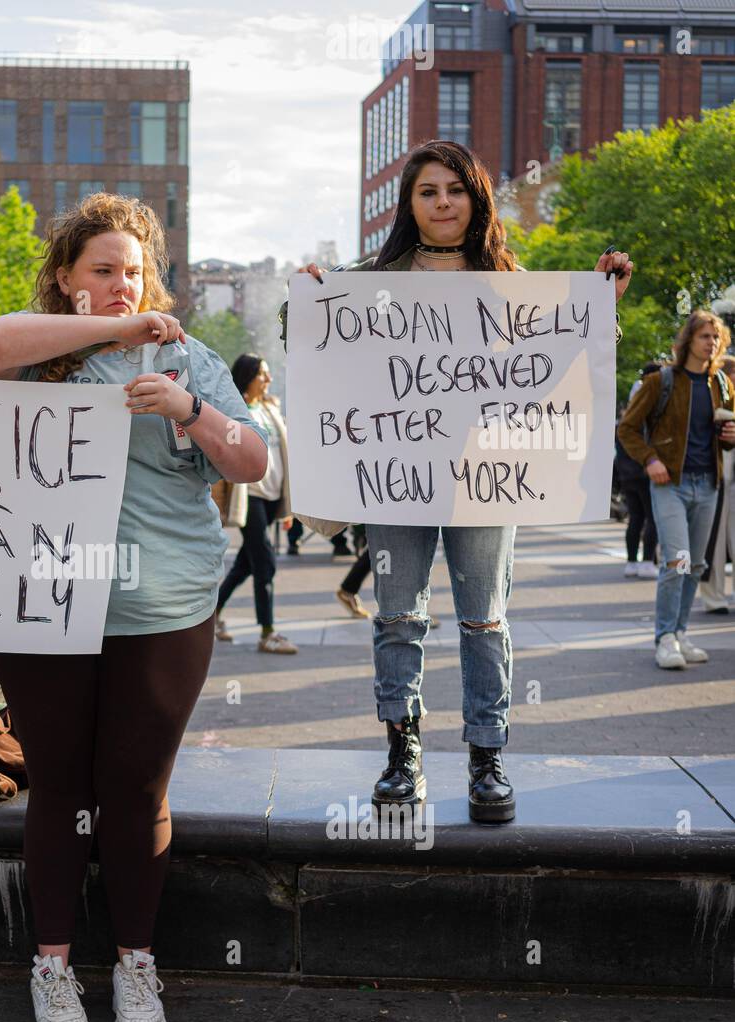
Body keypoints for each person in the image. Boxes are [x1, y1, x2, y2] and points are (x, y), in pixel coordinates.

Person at [0, 193, 267, 1022]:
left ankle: (136, 962)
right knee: (59, 784)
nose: (122, 287)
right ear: (65, 279)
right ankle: (53, 967)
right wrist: (104, 334)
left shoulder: (188, 358)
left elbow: (254, 457)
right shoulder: (38, 353)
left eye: (134, 274)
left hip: (163, 607)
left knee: (137, 788)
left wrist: (190, 412)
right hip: (47, 604)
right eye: (102, 272)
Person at [298, 140, 632, 824]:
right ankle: (403, 753)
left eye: (454, 189)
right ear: (410, 203)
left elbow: (556, 364)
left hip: (487, 476)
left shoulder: (511, 282)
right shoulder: (368, 280)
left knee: (485, 619)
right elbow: (326, 361)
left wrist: (601, 303)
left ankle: (487, 756)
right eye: (428, 191)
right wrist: (308, 303)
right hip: (398, 475)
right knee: (397, 616)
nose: (443, 202)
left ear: (475, 198)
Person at [617, 311, 735, 669]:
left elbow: (726, 433)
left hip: (708, 484)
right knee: (678, 561)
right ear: (688, 341)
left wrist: (731, 437)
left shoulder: (721, 384)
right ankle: (665, 637)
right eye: (704, 337)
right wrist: (650, 460)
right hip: (671, 484)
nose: (711, 343)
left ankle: (681, 633)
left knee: (695, 564)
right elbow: (627, 430)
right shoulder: (661, 381)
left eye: (715, 338)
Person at [213, 354, 296, 654]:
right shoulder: (234, 409)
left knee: (245, 564)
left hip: (273, 496)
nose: (268, 379)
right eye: (263, 373)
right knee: (265, 564)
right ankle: (268, 633)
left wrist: (288, 508)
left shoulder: (269, 408)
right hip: (251, 497)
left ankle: (212, 614)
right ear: (248, 376)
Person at [696, 352, 735, 613]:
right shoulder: (710, 397)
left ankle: (715, 597)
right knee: (713, 541)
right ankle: (713, 598)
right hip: (715, 475)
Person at [616, 362, 660, 580]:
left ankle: (631, 562)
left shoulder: (630, 407)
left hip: (627, 474)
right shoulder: (649, 406)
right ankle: (646, 561)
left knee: (635, 518)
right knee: (652, 518)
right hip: (645, 472)